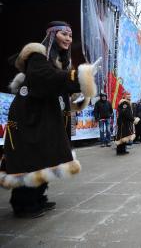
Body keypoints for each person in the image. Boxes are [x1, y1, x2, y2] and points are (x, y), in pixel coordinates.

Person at [0, 21, 98, 218]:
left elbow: (56, 89)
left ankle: (38, 198)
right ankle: (24, 204)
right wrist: (77, 77)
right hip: (28, 117)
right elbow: (45, 79)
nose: (68, 39)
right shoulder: (37, 56)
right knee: (30, 156)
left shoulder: (58, 62)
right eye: (64, 34)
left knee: (45, 155)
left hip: (42, 116)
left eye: (70, 35)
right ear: (52, 34)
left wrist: (77, 100)